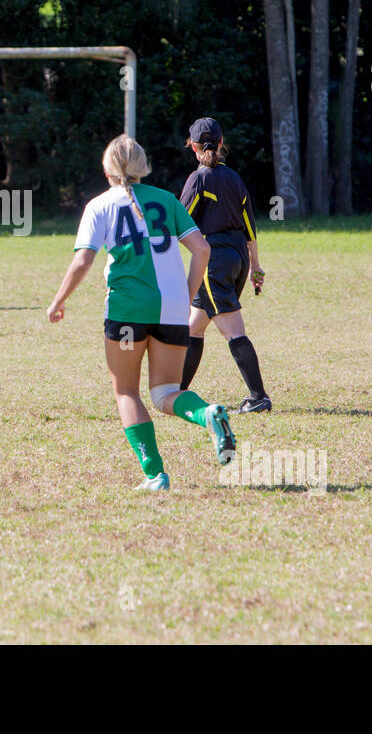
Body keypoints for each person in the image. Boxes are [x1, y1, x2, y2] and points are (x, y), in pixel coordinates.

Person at [47, 135, 236, 492]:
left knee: (127, 393)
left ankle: (155, 475)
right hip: (172, 311)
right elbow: (202, 249)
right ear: (143, 166)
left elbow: (84, 259)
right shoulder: (166, 199)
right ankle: (208, 414)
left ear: (107, 168)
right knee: (166, 392)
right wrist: (188, 294)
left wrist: (58, 301)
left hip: (127, 311)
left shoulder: (99, 205)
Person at [178, 117, 271, 413]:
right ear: (220, 143)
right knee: (194, 326)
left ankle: (259, 398)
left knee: (232, 330)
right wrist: (256, 267)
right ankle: (175, 393)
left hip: (214, 260)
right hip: (238, 259)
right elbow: (250, 227)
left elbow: (180, 222)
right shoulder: (233, 178)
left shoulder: (199, 178)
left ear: (193, 147)